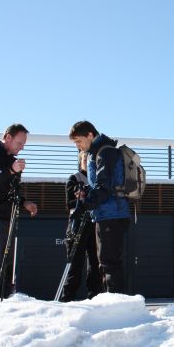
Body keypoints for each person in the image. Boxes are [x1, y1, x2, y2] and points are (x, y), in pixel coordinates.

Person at [68, 121, 130, 294]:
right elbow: (100, 185)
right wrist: (86, 192)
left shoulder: (105, 152)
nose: (78, 146)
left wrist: (85, 205)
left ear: (89, 135)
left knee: (110, 263)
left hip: (112, 214)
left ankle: (116, 307)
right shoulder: (98, 152)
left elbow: (104, 187)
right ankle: (113, 303)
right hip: (106, 213)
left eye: (79, 141)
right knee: (106, 263)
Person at [0, 124, 38, 298]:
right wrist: (11, 170)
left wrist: (25, 203)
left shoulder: (12, 160)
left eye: (24, 144)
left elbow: (12, 191)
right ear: (8, 137)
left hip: (8, 218)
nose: (22, 147)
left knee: (5, 264)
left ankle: (4, 300)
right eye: (20, 143)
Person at [60, 151, 103, 301]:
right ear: (81, 160)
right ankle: (67, 298)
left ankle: (95, 297)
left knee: (95, 263)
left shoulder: (98, 178)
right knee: (75, 264)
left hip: (94, 223)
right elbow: (69, 203)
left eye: (89, 158)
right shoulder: (74, 178)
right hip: (77, 225)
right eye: (84, 158)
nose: (87, 161)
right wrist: (80, 198)